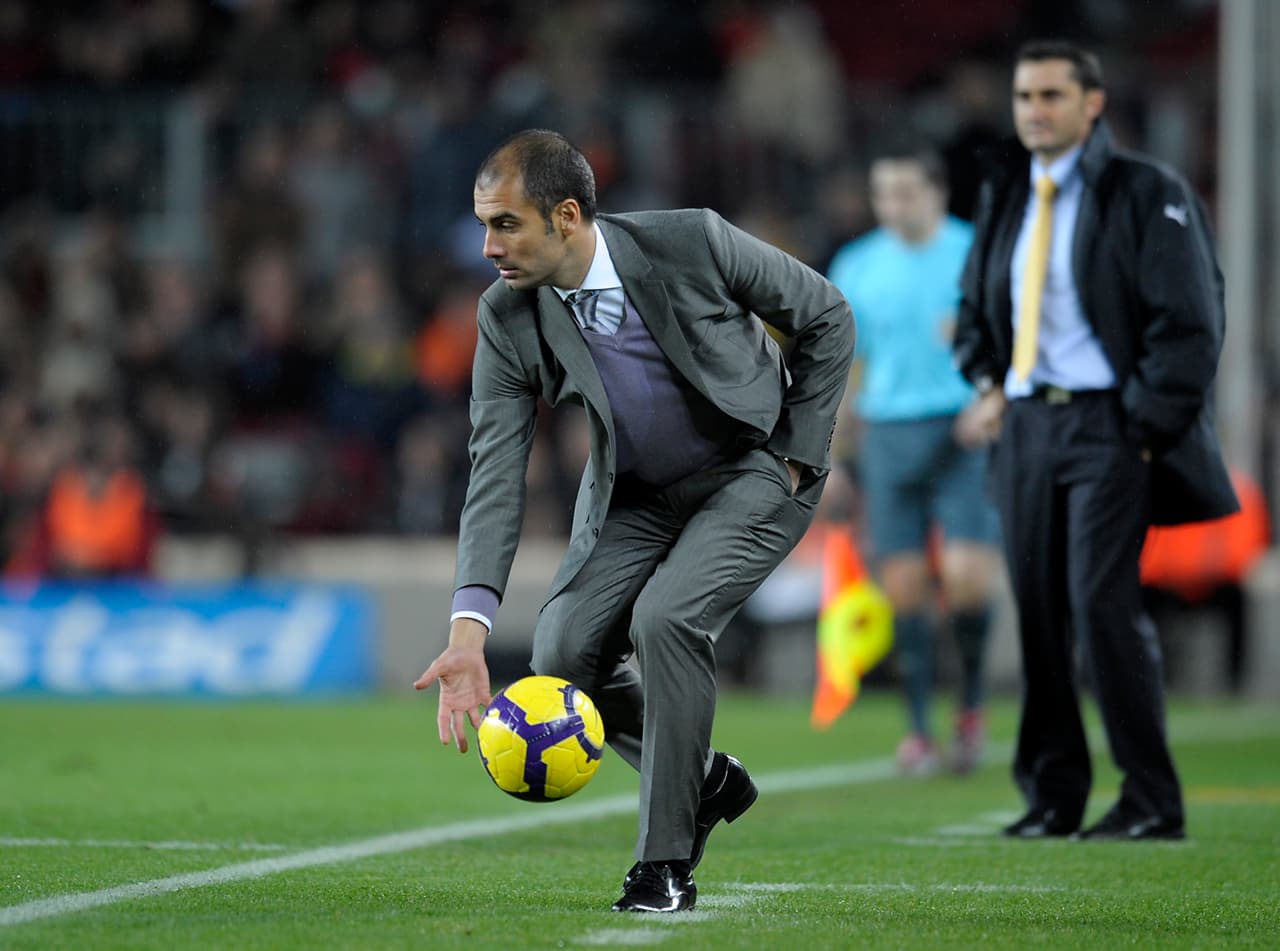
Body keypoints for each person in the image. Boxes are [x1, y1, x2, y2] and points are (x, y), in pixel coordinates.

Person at [414, 130, 854, 911]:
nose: (488, 247)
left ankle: (664, 864)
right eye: (484, 225)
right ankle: (703, 778)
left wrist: (797, 451)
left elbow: (827, 314)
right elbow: (495, 470)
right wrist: (468, 631)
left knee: (668, 617)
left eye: (506, 223)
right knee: (561, 649)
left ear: (567, 216)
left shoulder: (695, 242)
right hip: (639, 494)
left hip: (754, 469)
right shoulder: (505, 316)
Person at [952, 41, 1237, 841]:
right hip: (1026, 425)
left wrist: (1144, 424)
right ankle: (1054, 794)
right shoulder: (1009, 190)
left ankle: (1151, 797)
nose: (1034, 111)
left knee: (1100, 604)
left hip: (1110, 425)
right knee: (1039, 613)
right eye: (1024, 96)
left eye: (1052, 95)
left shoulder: (1147, 190)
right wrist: (988, 379)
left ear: (1093, 103)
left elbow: (1191, 319)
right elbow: (975, 304)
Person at [826, 144, 1000, 776]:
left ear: (937, 194)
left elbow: (1012, 339)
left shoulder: (976, 252)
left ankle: (971, 707)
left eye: (906, 193)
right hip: (890, 434)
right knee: (904, 589)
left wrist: (993, 396)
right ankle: (920, 729)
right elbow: (846, 366)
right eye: (884, 194)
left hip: (963, 432)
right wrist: (831, 456)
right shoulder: (857, 265)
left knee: (967, 577)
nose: (893, 207)